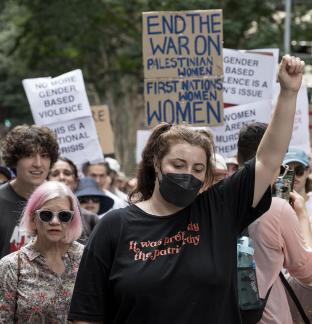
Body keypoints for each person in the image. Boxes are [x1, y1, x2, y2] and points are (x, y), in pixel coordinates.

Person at [68, 55, 305, 323]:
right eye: (178, 165)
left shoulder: (219, 210)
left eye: (197, 168)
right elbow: (86, 314)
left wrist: (288, 92)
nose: (188, 175)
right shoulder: (113, 226)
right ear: (157, 164)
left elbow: (267, 159)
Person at [237, 122, 312, 324]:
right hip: (268, 317)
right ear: (278, 162)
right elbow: (307, 272)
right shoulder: (277, 209)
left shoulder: (214, 199)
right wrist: (302, 215)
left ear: (237, 158)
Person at [0, 181, 84, 322]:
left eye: (64, 215)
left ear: (72, 220)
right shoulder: (11, 265)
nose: (55, 221)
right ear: (33, 219)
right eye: (46, 215)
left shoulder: (87, 259)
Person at [0, 124, 59, 258]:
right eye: (29, 155)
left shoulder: (63, 201)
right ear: (14, 160)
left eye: (44, 155)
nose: (38, 163)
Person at [48, 157, 106, 243]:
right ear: (46, 180)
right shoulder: (36, 215)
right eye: (55, 174)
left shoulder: (91, 219)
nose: (62, 177)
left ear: (75, 182)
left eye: (67, 173)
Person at [282, 147, 312, 220]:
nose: (293, 176)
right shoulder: (274, 205)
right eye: (288, 170)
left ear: (308, 171)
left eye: (299, 170)